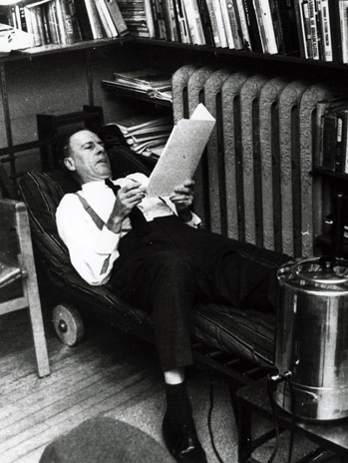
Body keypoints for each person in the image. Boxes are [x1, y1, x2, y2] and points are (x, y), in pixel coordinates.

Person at [55, 129, 291, 462]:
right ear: (70, 163)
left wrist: (182, 208)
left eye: (102, 144)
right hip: (140, 261)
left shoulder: (138, 179)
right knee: (171, 266)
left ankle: (317, 360)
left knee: (269, 272)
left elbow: (189, 227)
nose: (100, 150)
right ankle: (177, 409)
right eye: (88, 146)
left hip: (191, 247)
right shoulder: (72, 205)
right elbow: (93, 273)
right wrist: (117, 215)